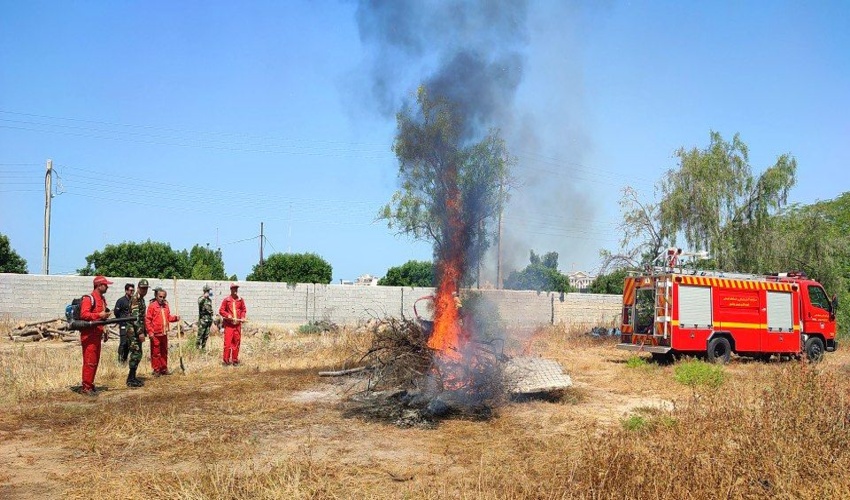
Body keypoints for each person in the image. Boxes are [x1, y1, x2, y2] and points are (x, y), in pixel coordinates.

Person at [78, 275, 113, 396]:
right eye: (105, 285)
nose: (107, 287)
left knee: (95, 361)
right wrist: (99, 315)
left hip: (97, 335)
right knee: (89, 361)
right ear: (99, 285)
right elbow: (84, 314)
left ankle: (90, 384)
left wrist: (105, 328)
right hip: (89, 335)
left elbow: (102, 318)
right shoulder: (89, 298)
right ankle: (86, 387)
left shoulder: (102, 300)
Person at [144, 287, 179, 376]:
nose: (162, 299)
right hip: (155, 334)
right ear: (156, 296)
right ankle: (156, 369)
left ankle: (164, 368)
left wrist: (175, 318)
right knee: (156, 353)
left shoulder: (166, 306)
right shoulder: (152, 306)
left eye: (163, 297)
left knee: (164, 351)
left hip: (164, 333)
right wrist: (150, 332)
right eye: (160, 296)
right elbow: (148, 320)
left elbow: (168, 318)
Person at [124, 279, 150, 388]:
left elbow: (142, 317)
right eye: (142, 288)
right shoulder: (135, 299)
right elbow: (135, 318)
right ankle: (130, 379)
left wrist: (145, 330)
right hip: (133, 331)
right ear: (138, 288)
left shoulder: (141, 299)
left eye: (146, 288)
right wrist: (140, 332)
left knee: (138, 353)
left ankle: (133, 377)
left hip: (136, 330)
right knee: (136, 353)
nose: (144, 290)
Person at [219, 283, 247, 366]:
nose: (235, 290)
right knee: (227, 344)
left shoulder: (240, 300)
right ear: (231, 289)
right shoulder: (226, 300)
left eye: (236, 288)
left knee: (236, 343)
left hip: (237, 325)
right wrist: (228, 315)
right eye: (233, 288)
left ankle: (235, 360)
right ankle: (226, 361)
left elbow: (243, 310)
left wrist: (242, 317)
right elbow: (221, 310)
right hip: (229, 326)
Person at [113, 283, 135, 364]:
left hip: (131, 326)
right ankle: (119, 360)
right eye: (131, 290)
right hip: (123, 325)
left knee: (129, 343)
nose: (132, 292)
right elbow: (116, 312)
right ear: (126, 291)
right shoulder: (121, 301)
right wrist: (122, 320)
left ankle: (124, 360)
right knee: (123, 342)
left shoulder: (133, 300)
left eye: (133, 290)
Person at [196, 285, 214, 351]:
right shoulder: (201, 298)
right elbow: (200, 303)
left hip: (208, 320)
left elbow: (210, 309)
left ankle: (203, 348)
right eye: (208, 291)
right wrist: (204, 297)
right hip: (202, 321)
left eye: (209, 291)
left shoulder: (209, 300)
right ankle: (197, 349)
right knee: (200, 335)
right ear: (205, 291)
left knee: (206, 335)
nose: (209, 292)